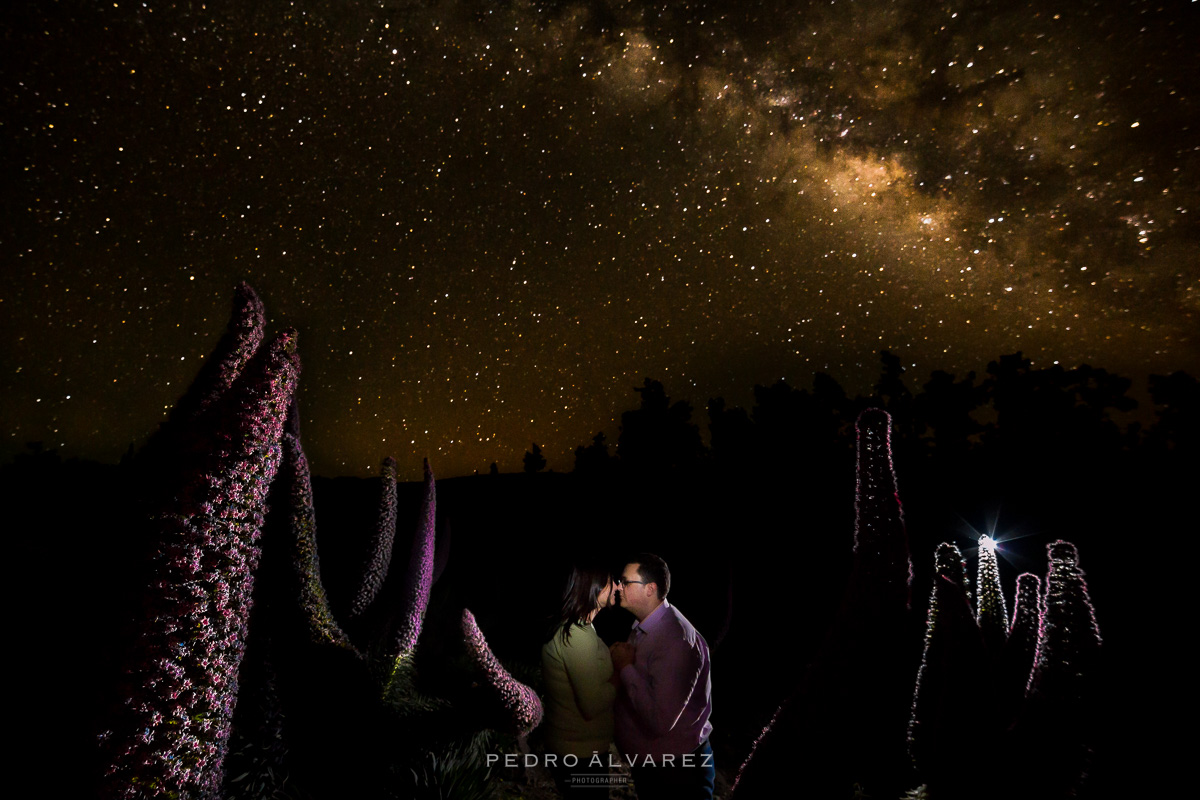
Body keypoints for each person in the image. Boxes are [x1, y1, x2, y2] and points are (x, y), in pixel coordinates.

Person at [611, 553, 714, 800]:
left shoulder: (675, 640)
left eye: (626, 582)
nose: (618, 587)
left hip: (676, 774)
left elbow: (659, 720)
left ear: (650, 589)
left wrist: (625, 667)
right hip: (656, 767)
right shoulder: (647, 625)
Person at [540, 563, 617, 795]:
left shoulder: (579, 629)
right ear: (593, 587)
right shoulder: (576, 636)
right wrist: (622, 671)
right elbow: (591, 704)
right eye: (611, 581)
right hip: (579, 755)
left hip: (577, 751)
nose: (618, 586)